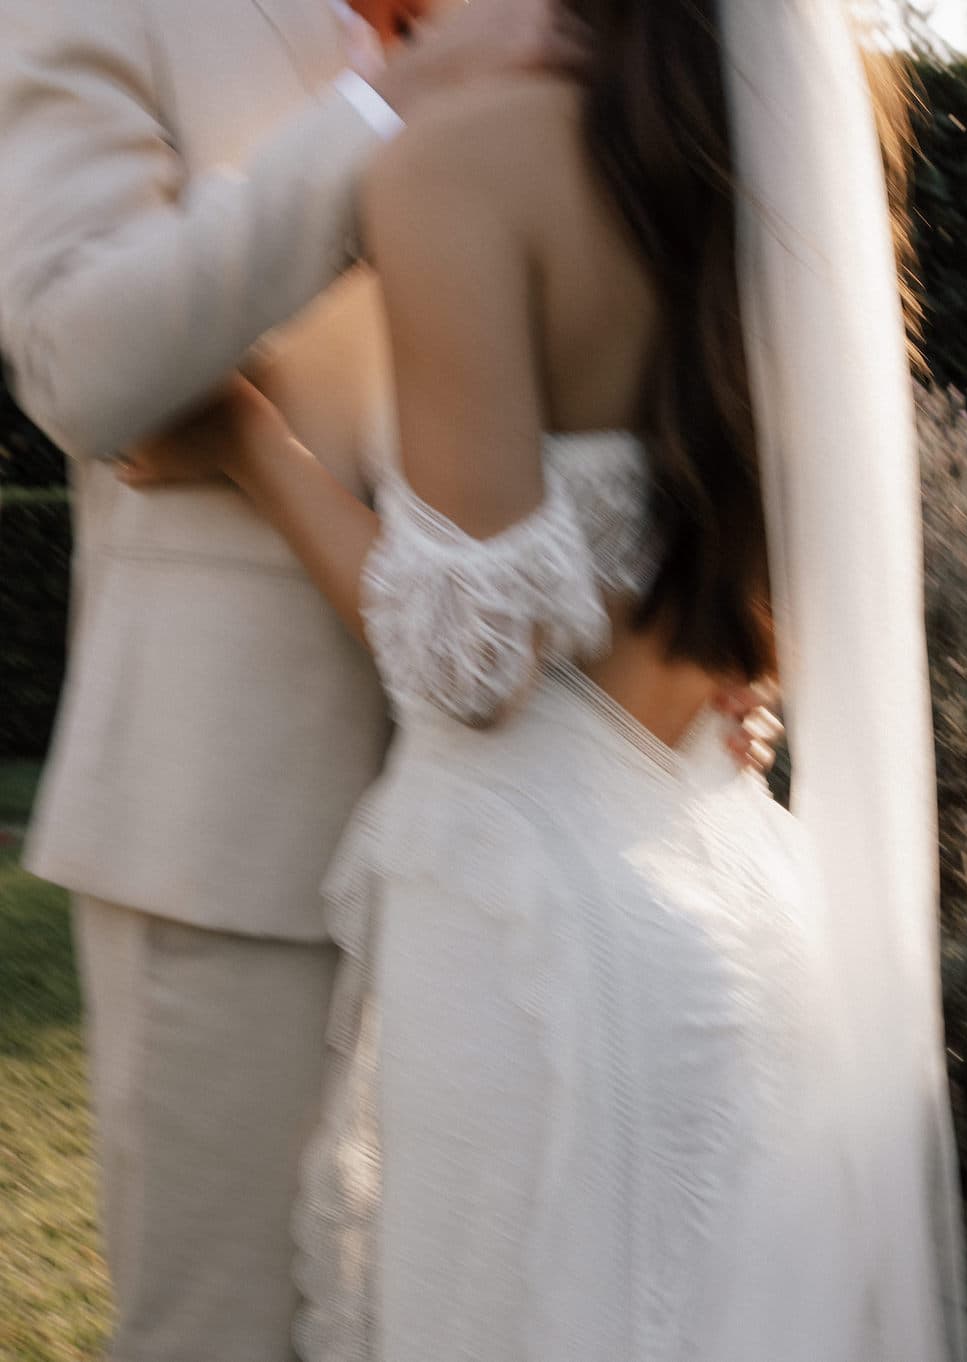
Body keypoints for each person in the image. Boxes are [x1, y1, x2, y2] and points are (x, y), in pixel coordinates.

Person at [121, 0, 967, 1356]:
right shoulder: (768, 164)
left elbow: (469, 658)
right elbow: (791, 575)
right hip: (746, 911)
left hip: (538, 958)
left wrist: (248, 444)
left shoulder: (459, 161)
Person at [0, 3, 650, 1359]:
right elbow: (76, 358)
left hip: (538, 835)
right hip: (233, 825)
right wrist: (381, 106)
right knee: (225, 1334)